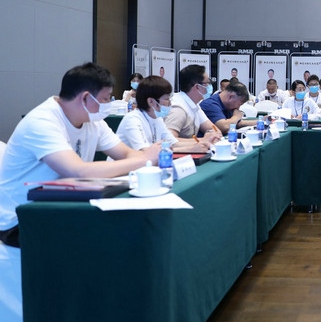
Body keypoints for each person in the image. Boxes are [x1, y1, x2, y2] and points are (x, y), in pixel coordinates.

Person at [0, 63, 163, 244]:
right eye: (106, 99)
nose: (108, 105)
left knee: (128, 227)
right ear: (86, 97)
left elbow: (126, 154)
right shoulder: (42, 122)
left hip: (61, 205)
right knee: (112, 235)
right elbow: (79, 171)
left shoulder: (93, 121)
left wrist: (145, 159)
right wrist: (145, 160)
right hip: (20, 219)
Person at [116, 76, 214, 152]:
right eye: (167, 99)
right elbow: (145, 152)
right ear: (151, 101)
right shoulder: (133, 120)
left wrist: (203, 142)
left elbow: (173, 143)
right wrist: (191, 149)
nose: (170, 103)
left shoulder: (157, 118)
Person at [164, 64, 221, 139]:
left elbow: (215, 130)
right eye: (208, 83)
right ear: (197, 87)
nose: (210, 86)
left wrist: (212, 136)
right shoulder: (178, 109)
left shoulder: (195, 105)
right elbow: (168, 141)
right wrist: (202, 141)